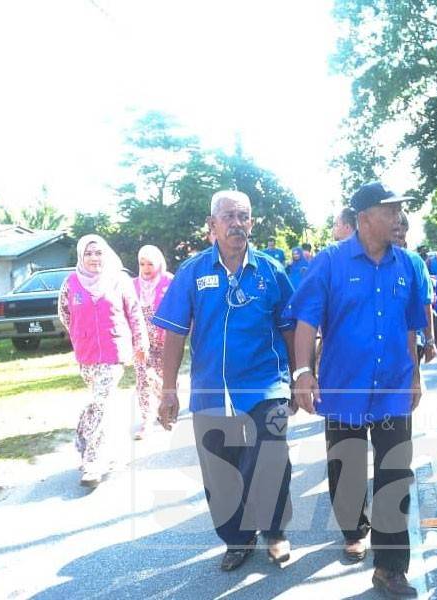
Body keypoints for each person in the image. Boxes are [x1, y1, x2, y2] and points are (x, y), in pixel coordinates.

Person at [289, 181, 426, 598]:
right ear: (365, 217)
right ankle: (353, 527)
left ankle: (389, 568)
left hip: (392, 389)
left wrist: (416, 376)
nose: (398, 218)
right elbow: (307, 322)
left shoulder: (406, 265)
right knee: (346, 471)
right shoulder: (329, 263)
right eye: (390, 210)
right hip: (344, 386)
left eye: (399, 211)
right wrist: (302, 374)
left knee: (395, 476)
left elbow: (410, 326)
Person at [153, 190, 296, 572]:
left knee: (272, 455)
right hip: (211, 388)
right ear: (212, 225)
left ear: (251, 222)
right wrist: (169, 390)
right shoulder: (193, 272)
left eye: (243, 216)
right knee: (219, 469)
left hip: (266, 384)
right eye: (228, 217)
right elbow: (174, 332)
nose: (237, 224)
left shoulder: (270, 271)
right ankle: (237, 538)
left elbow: (289, 328)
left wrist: (298, 377)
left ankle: (275, 531)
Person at [58, 234, 149, 487]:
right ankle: (83, 435)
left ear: (106, 254)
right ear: (81, 257)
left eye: (98, 253)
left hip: (113, 350)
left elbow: (134, 312)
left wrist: (140, 343)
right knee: (98, 403)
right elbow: (65, 314)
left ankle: (92, 462)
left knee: (101, 401)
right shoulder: (71, 283)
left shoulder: (119, 280)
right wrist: (80, 335)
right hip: (86, 354)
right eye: (88, 253)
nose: (94, 258)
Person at [132, 245, 174, 440]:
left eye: (150, 263)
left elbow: (180, 309)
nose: (146, 268)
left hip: (165, 339)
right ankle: (146, 421)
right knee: (143, 378)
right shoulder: (132, 285)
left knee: (163, 378)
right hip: (141, 341)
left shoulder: (169, 281)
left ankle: (166, 409)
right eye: (142, 263)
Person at [394, 209, 436, 363]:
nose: (397, 237)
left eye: (401, 233)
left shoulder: (415, 261)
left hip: (411, 341)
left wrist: (429, 341)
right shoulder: (372, 261)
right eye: (395, 231)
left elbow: (426, 304)